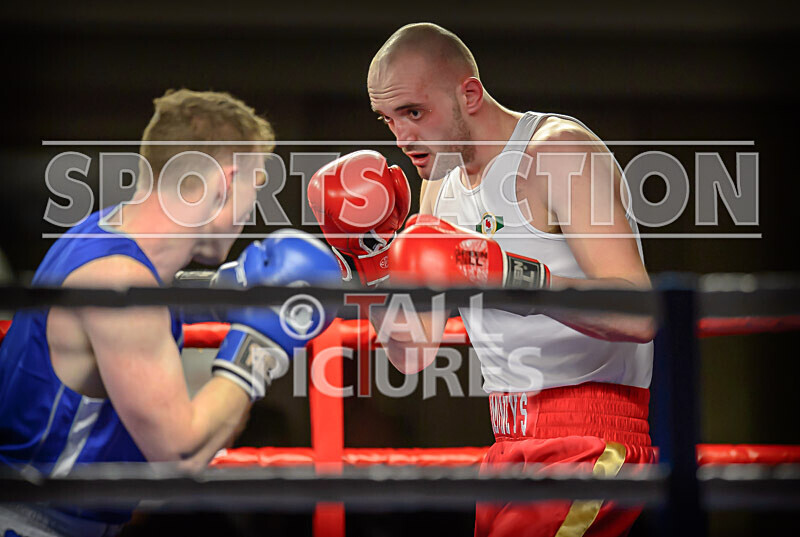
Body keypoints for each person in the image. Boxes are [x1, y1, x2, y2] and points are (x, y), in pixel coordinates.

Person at [309, 23, 655, 537]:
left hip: (591, 438)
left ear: (468, 93)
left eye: (414, 112)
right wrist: (371, 260)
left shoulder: (557, 152)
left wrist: (512, 274)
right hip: (505, 445)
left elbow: (640, 315)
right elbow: (412, 352)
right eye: (388, 119)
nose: (402, 138)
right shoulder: (439, 191)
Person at [0, 89, 341, 537]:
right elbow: (180, 452)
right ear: (225, 181)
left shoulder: (101, 236)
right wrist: (262, 342)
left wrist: (223, 291)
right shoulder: (121, 285)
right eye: (254, 188)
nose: (251, 211)